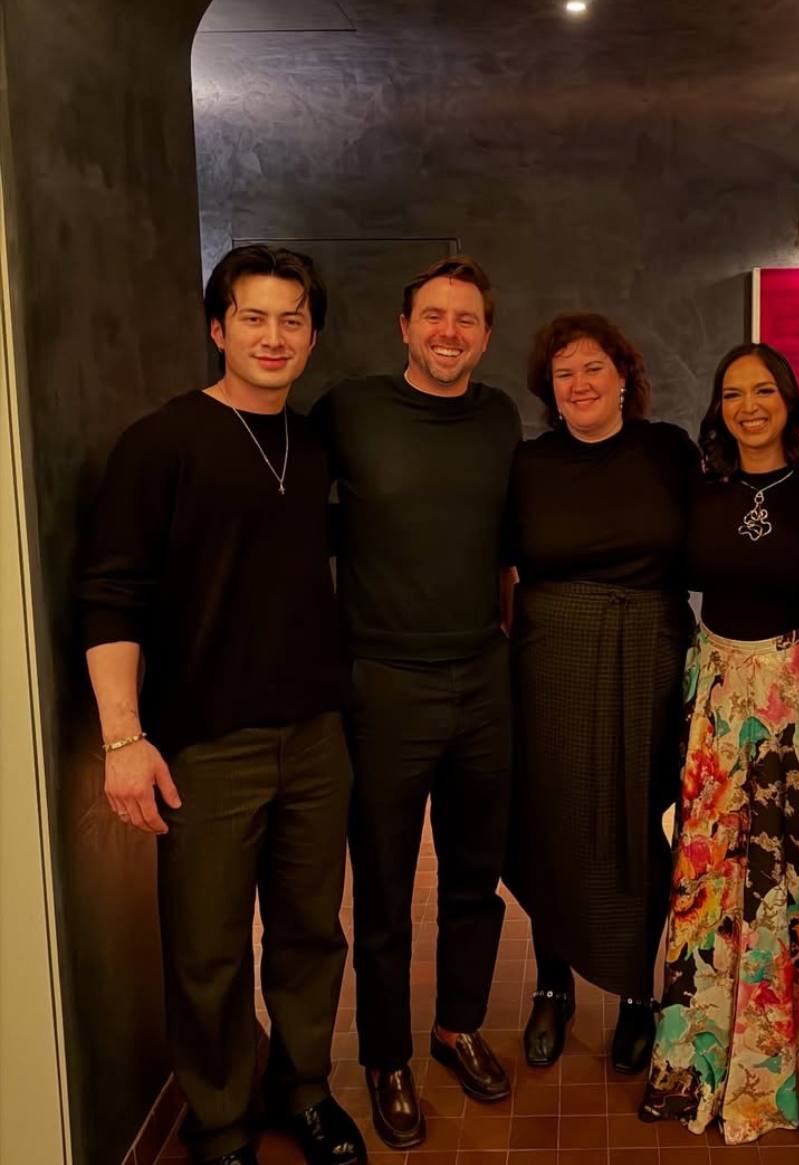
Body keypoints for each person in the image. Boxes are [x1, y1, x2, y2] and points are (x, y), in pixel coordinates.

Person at [78, 246, 364, 1165]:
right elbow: (110, 595)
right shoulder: (159, 443)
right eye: (254, 317)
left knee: (311, 931)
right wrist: (123, 737)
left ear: (312, 337)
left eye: (292, 320)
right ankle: (222, 1122)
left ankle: (305, 1088)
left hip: (316, 734)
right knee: (208, 949)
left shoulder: (314, 444)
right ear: (218, 328)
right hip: (206, 743)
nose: (274, 336)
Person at [309, 256, 521, 1151]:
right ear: (404, 326)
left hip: (481, 677)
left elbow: (503, 545)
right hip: (383, 683)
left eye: (466, 318)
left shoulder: (501, 416)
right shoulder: (350, 410)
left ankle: (456, 1024)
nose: (448, 331)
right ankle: (387, 1057)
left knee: (476, 874)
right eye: (433, 315)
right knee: (386, 889)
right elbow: (294, 517)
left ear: (486, 334)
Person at [640, 342, 799, 1142]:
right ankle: (706, 1055)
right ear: (719, 407)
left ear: (789, 401)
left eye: (764, 390)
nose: (749, 406)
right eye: (734, 392)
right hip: (718, 702)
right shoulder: (701, 488)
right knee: (716, 875)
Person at [503, 313, 698, 1076]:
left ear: (624, 377)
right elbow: (500, 564)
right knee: (551, 817)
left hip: (647, 649)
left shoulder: (667, 450)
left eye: (593, 368)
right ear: (549, 390)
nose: (579, 383)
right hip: (549, 655)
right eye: (563, 373)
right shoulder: (529, 463)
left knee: (635, 818)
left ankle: (638, 993)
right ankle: (553, 985)